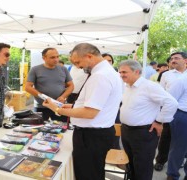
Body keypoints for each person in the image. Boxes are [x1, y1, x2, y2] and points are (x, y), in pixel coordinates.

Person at [43, 43, 122, 180]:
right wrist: (69, 106)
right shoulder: (107, 73)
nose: (78, 67)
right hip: (96, 134)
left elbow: (89, 113)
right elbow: (93, 104)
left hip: (91, 136)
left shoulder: (100, 76)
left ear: (89, 56)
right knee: (94, 172)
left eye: (78, 62)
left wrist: (57, 109)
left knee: (88, 175)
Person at [118, 60, 178, 180]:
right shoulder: (127, 87)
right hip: (127, 131)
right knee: (131, 164)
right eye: (120, 72)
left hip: (143, 133)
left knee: (142, 167)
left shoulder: (149, 86)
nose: (121, 74)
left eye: (124, 72)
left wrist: (159, 121)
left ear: (137, 71)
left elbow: (171, 103)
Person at [155, 52, 187, 171]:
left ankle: (179, 160)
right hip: (171, 110)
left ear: (185, 60)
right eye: (172, 58)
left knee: (181, 142)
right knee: (166, 137)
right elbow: (161, 92)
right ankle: (160, 160)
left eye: (177, 58)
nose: (173, 60)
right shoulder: (166, 74)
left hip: (183, 112)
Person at [25, 48, 74, 122]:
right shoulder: (35, 69)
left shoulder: (63, 69)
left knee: (62, 128)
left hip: (59, 106)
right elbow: (28, 87)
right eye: (52, 57)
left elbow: (71, 85)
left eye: (57, 56)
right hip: (42, 106)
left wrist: (63, 97)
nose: (56, 59)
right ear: (44, 58)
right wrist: (43, 96)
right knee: (39, 128)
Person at [167, 75, 187, 180]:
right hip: (183, 116)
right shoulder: (182, 80)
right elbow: (170, 99)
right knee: (179, 148)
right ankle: (172, 175)